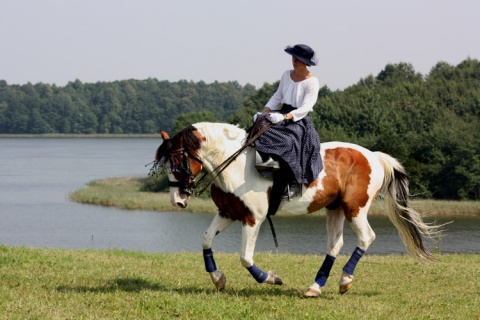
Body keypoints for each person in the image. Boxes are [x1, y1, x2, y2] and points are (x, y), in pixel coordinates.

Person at [253, 44, 323, 213]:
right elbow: (277, 96)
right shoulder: (286, 74)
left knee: (288, 142)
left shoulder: (312, 82)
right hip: (282, 112)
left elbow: (305, 107)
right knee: (257, 129)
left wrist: (285, 117)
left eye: (298, 59)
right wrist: (263, 113)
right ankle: (264, 167)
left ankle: (292, 181)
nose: (294, 61)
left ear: (306, 62)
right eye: (293, 58)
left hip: (298, 120)